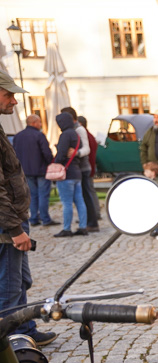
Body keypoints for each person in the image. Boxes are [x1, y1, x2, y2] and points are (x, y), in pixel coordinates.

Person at [0, 72, 56, 345]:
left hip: (14, 219)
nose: (14, 101)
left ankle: (24, 328)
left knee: (20, 281)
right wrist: (14, 229)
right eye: (8, 94)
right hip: (6, 224)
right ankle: (13, 339)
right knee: (10, 286)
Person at [12, 114, 57, 227]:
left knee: (32, 195)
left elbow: (14, 154)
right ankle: (45, 219)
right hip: (41, 170)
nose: (41, 124)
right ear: (34, 123)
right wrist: (50, 163)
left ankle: (33, 218)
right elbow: (46, 153)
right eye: (39, 122)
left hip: (25, 171)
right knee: (43, 195)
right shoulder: (39, 135)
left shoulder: (18, 136)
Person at [60, 107, 98, 232]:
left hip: (83, 168)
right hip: (77, 168)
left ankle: (92, 223)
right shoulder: (72, 130)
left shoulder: (79, 129)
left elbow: (87, 149)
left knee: (86, 196)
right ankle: (87, 222)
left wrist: (75, 153)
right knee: (82, 197)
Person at [52, 112, 88, 238]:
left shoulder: (65, 135)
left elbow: (61, 155)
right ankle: (83, 227)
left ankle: (67, 228)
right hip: (77, 171)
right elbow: (78, 150)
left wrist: (55, 161)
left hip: (66, 173)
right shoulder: (76, 134)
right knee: (80, 201)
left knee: (66, 202)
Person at [78, 116, 99, 230]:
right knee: (90, 191)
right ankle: (94, 214)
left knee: (89, 192)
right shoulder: (89, 135)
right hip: (89, 167)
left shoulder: (86, 136)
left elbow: (89, 153)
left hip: (87, 168)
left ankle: (94, 214)